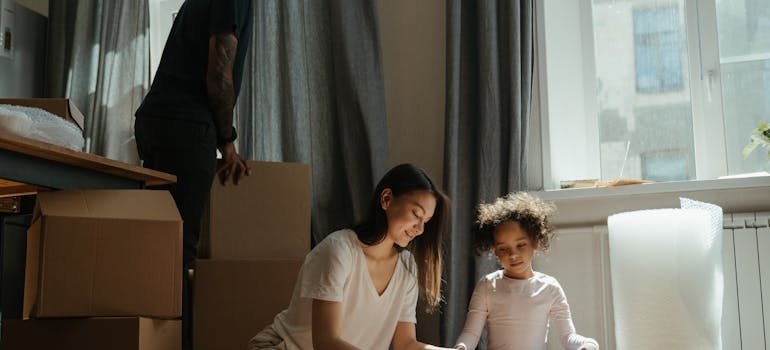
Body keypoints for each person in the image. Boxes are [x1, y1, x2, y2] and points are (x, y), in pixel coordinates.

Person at [134, 1, 253, 349]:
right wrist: (227, 141)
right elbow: (219, 76)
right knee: (179, 249)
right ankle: (174, 343)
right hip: (185, 127)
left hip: (157, 121)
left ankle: (149, 337)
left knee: (160, 243)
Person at [249, 163, 456, 350]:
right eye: (416, 214)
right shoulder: (339, 251)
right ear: (386, 199)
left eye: (426, 221)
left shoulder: (407, 267)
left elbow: (405, 344)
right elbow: (326, 343)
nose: (420, 229)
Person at [454, 192, 599, 350]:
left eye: (520, 245)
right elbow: (471, 334)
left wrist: (588, 345)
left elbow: (568, 337)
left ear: (535, 242)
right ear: (494, 251)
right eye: (503, 248)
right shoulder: (487, 286)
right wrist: (461, 347)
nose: (513, 255)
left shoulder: (550, 287)